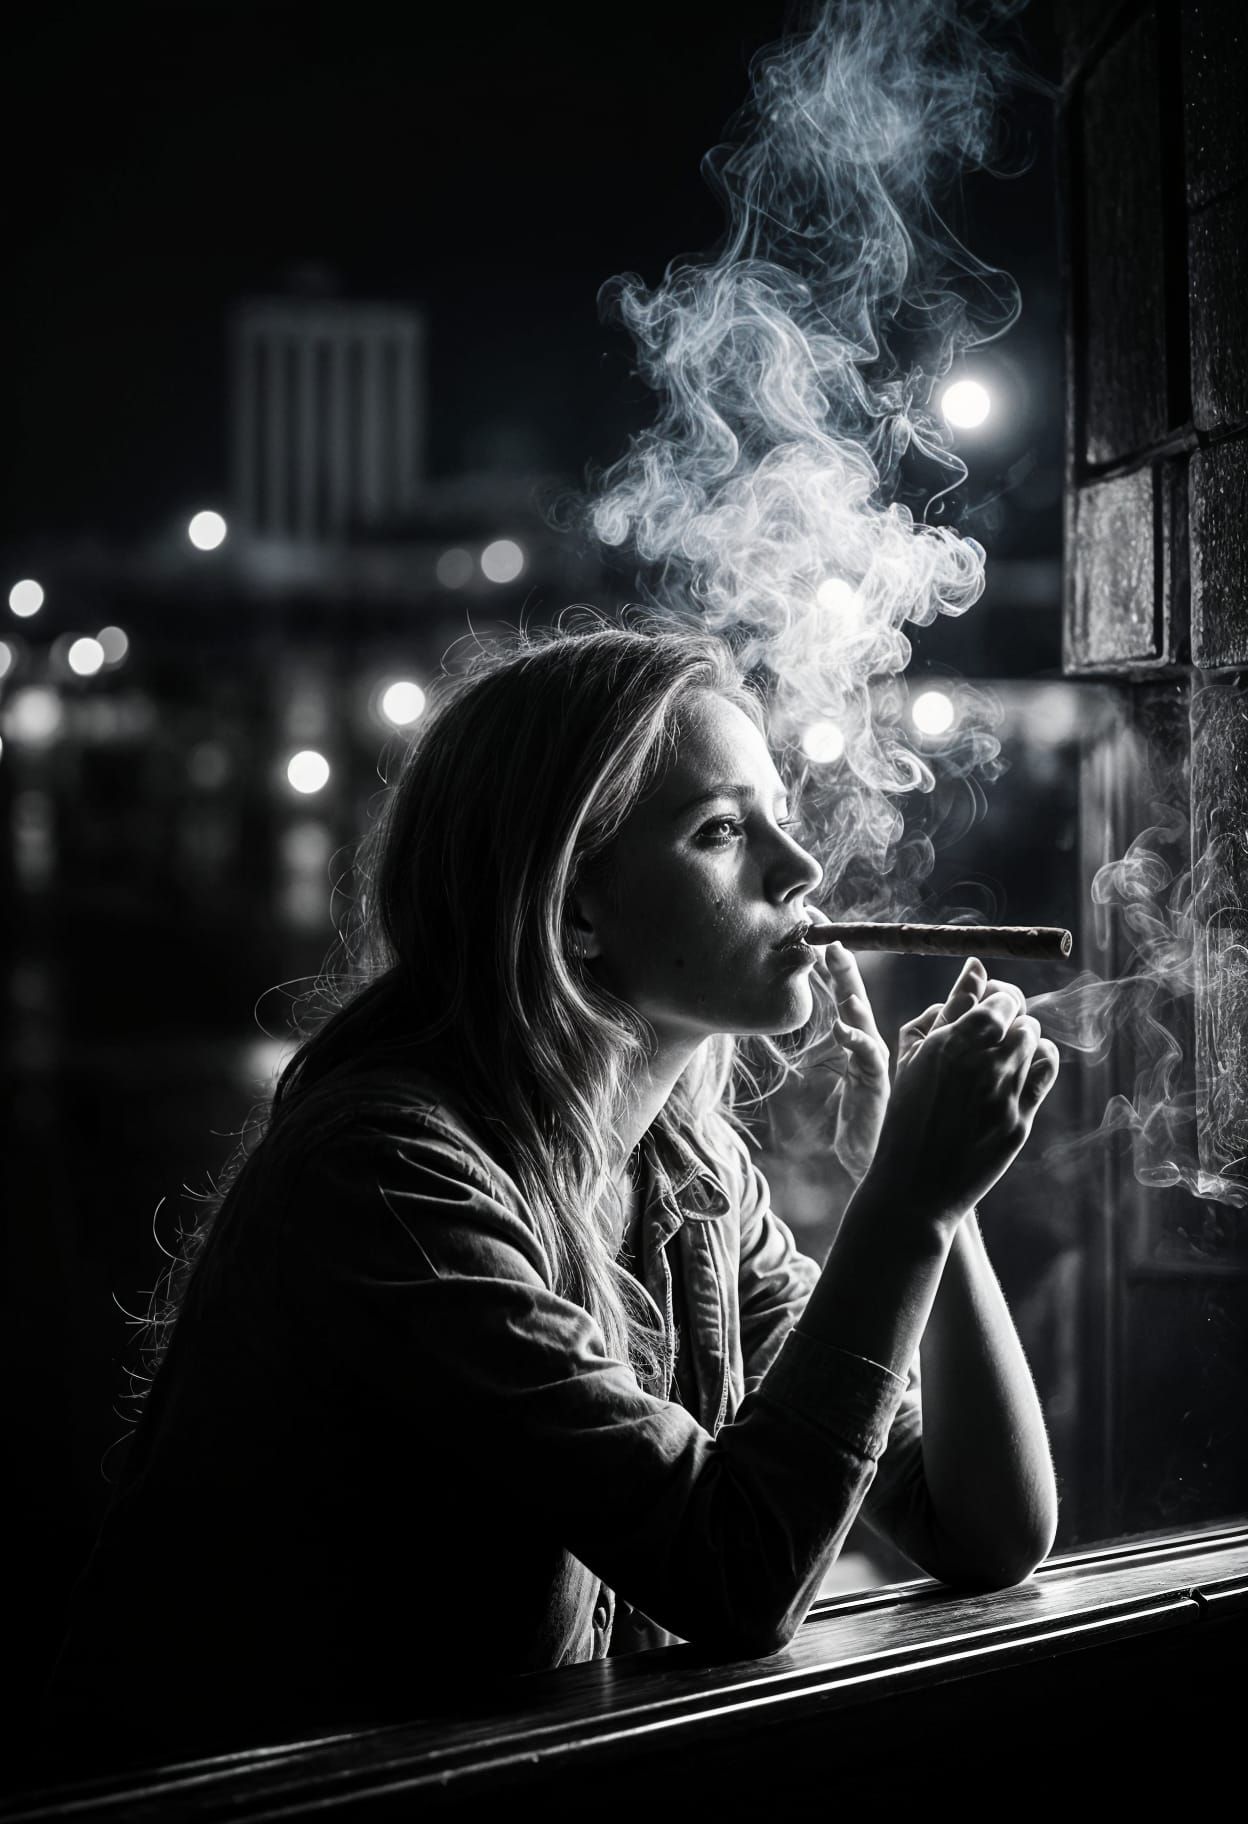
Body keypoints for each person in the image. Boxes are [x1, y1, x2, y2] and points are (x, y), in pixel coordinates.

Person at [43, 616, 1060, 1773]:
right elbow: (737, 1574)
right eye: (723, 831)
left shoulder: (693, 1178)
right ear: (574, 906)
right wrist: (905, 1207)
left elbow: (986, 1530)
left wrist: (940, 1200)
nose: (800, 869)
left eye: (779, 816)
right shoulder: (387, 1178)